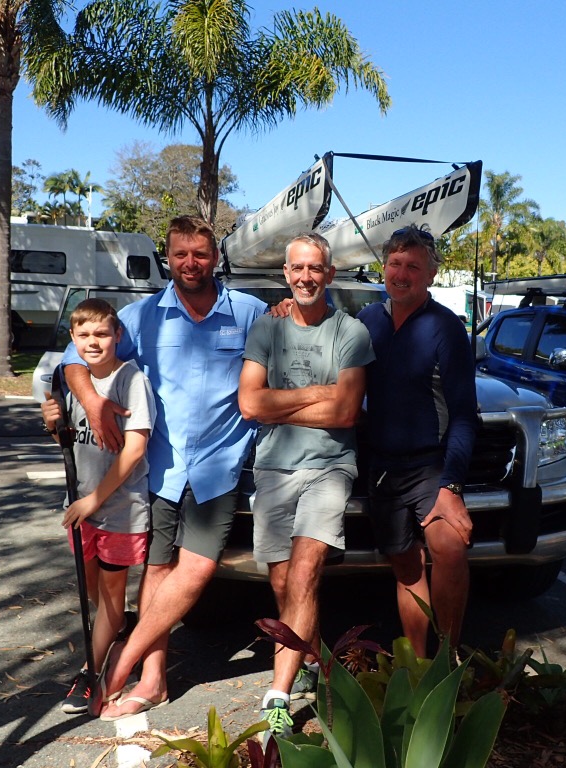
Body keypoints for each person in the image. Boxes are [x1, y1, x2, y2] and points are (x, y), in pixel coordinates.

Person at [60, 215, 269, 720]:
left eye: (200, 254)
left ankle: (119, 666)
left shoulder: (251, 312)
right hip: (160, 467)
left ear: (215, 257)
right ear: (167, 257)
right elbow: (74, 357)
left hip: (220, 465)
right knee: (156, 570)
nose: (190, 263)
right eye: (180, 254)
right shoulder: (140, 317)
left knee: (196, 569)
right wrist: (91, 401)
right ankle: (152, 680)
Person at [238, 233, 374, 741]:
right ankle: (317, 662)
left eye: (315, 268)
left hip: (329, 467)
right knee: (283, 585)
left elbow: (347, 413)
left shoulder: (351, 332)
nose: (305, 277)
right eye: (297, 268)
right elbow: (249, 404)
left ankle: (277, 697)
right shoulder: (266, 328)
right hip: (273, 468)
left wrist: (279, 403)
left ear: (330, 274)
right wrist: (319, 392)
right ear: (286, 273)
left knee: (304, 572)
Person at [356, 225, 477, 659]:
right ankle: (417, 662)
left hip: (431, 466)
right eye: (395, 264)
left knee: (449, 549)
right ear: (384, 268)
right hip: (381, 467)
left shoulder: (446, 327)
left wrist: (452, 485)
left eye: (413, 266)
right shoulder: (367, 320)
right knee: (407, 568)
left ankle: (448, 658)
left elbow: (465, 413)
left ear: (431, 275)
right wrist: (286, 308)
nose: (401, 274)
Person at [40, 298, 156, 715]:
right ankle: (118, 627)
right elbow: (69, 439)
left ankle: (90, 672)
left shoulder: (132, 380)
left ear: (118, 335)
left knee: (109, 594)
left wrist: (94, 500)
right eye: (84, 335)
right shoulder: (77, 383)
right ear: (73, 338)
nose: (93, 342)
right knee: (91, 587)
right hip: (82, 506)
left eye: (102, 334)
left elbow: (135, 450)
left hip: (119, 510)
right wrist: (52, 423)